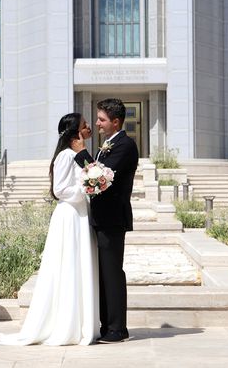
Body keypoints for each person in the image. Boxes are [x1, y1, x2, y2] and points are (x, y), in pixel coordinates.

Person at [0, 112, 100, 346]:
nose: (89, 129)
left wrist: (92, 185)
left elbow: (91, 176)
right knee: (68, 265)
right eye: (85, 126)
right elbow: (61, 189)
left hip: (81, 214)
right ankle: (65, 325)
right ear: (76, 131)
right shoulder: (65, 156)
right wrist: (88, 189)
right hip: (70, 215)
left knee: (80, 265)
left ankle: (83, 323)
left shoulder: (79, 155)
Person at [72, 98, 139, 344]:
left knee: (112, 273)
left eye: (101, 119)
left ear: (115, 121)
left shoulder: (125, 145)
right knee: (102, 273)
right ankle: (105, 325)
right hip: (100, 217)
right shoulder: (106, 145)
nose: (98, 124)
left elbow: (100, 180)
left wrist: (81, 154)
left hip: (112, 218)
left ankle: (117, 329)